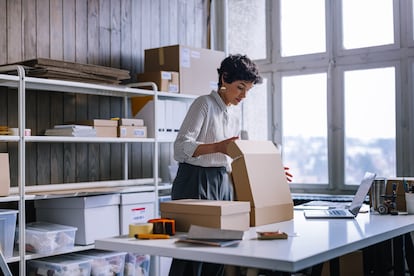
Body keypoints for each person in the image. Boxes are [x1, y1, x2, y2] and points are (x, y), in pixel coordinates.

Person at [168, 54, 263, 276]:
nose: (244, 95)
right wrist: (217, 147)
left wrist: (270, 172)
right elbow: (180, 148)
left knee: (220, 252)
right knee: (192, 256)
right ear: (224, 78)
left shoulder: (234, 115)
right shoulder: (204, 104)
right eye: (240, 87)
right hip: (194, 180)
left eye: (248, 90)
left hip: (221, 182)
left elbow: (235, 156)